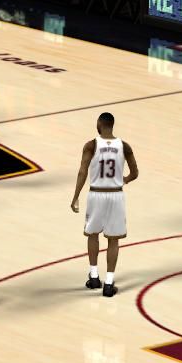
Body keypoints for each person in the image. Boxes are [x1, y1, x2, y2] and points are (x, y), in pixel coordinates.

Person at [70, 112, 139, 297]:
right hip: (115, 195)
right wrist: (123, 180)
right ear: (112, 125)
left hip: (96, 194)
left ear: (99, 125)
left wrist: (75, 196)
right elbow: (135, 173)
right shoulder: (124, 146)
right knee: (113, 239)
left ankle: (94, 277)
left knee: (93, 235)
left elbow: (82, 172)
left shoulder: (91, 145)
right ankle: (109, 283)